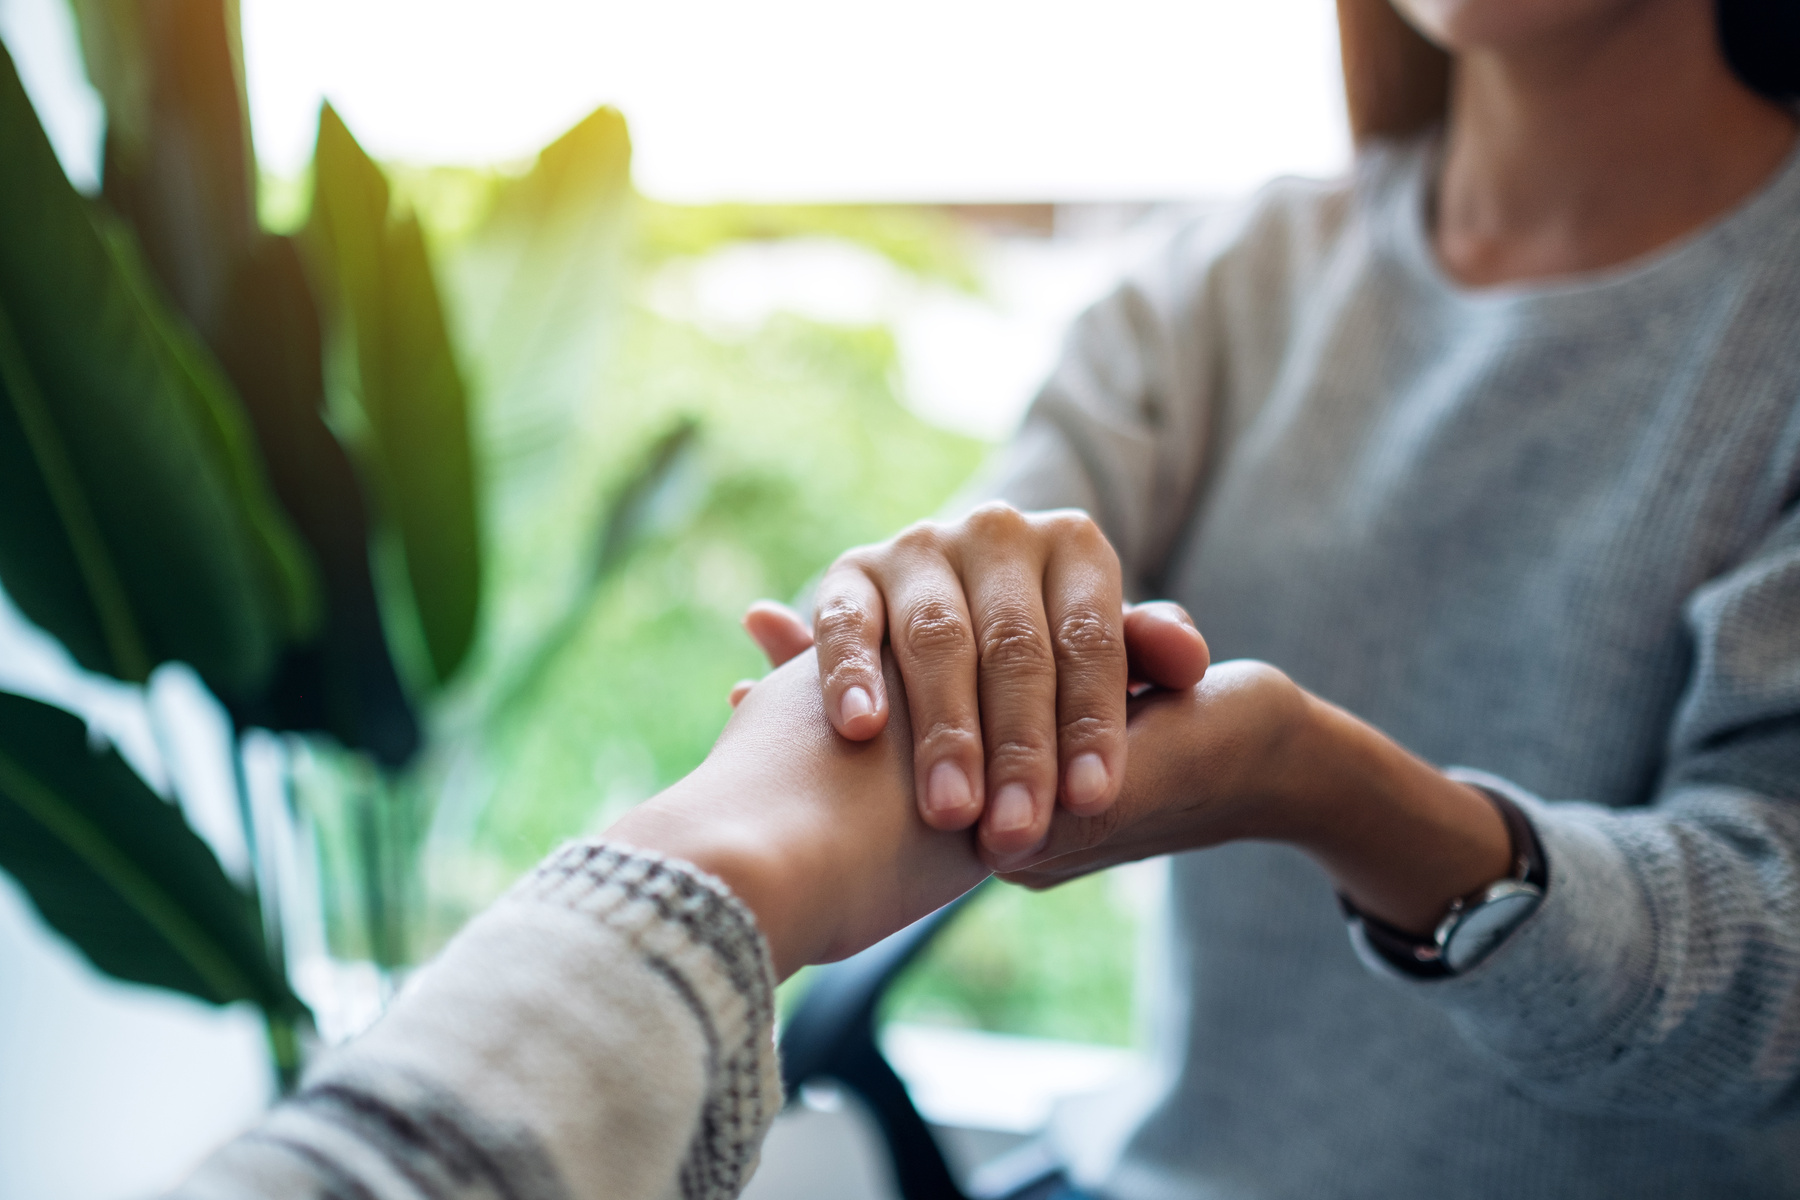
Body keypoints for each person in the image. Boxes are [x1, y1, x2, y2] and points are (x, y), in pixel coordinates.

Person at [740, 0, 1800, 1194]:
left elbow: (1772, 977)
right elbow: (975, 588)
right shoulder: (1233, 283)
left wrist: (1321, 786)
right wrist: (920, 624)